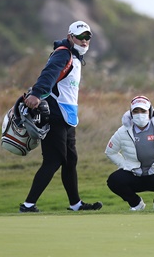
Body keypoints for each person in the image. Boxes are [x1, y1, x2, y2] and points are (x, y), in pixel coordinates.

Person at [19, 20, 103, 213]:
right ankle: (28, 204)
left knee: (70, 160)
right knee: (53, 160)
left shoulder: (75, 57)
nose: (84, 41)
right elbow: (49, 74)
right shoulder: (63, 53)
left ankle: (75, 204)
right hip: (54, 114)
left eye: (87, 37)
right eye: (80, 37)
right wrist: (37, 93)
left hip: (67, 116)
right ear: (70, 37)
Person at [105, 95, 154, 211]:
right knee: (114, 180)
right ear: (131, 114)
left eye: (143, 111)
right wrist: (126, 166)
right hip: (134, 174)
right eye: (136, 111)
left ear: (150, 112)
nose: (139, 114)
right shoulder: (122, 131)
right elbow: (110, 152)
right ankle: (136, 204)